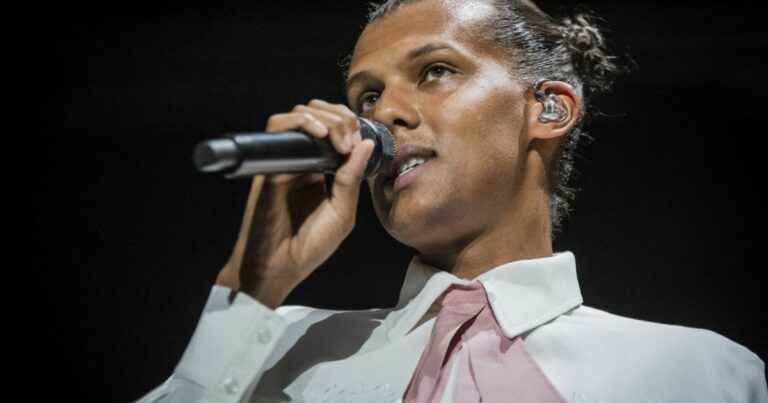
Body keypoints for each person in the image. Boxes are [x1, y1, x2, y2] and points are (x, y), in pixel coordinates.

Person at [137, 0, 767, 402]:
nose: (384, 113)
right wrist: (249, 291)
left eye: (436, 71)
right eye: (365, 98)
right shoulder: (273, 347)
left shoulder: (699, 371)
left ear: (548, 109)